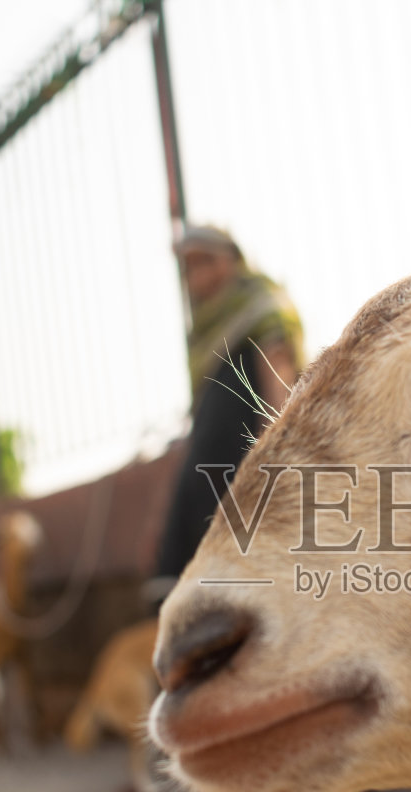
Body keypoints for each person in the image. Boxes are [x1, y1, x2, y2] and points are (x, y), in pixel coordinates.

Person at [151, 226, 304, 595]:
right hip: (207, 472)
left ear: (232, 260)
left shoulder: (259, 304)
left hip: (246, 463)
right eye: (189, 266)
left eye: (207, 260)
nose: (197, 274)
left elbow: (278, 380)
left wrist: (274, 457)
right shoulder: (204, 329)